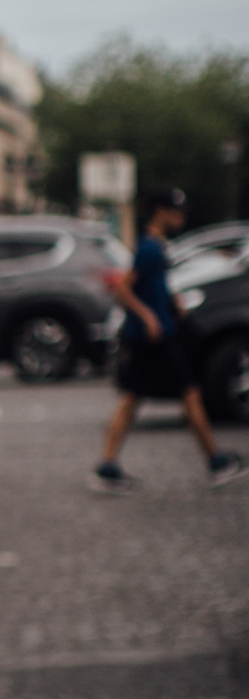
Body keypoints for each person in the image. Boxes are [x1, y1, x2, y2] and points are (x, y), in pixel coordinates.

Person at [94, 186, 244, 490]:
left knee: (132, 399)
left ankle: (107, 466)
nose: (181, 218)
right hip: (155, 337)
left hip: (154, 335)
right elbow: (124, 289)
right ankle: (216, 461)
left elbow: (152, 287)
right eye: (177, 212)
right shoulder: (149, 248)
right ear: (161, 212)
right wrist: (149, 317)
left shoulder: (156, 245)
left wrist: (171, 301)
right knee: (190, 394)